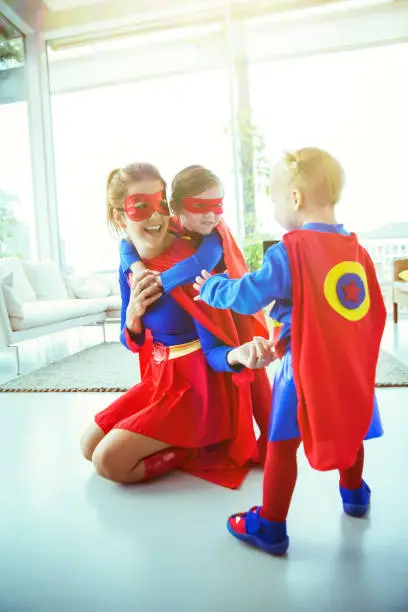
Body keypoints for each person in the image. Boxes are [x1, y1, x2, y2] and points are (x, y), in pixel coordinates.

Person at [194, 148, 386, 554]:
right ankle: (354, 495)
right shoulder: (358, 251)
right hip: (348, 367)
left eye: (276, 199)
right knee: (350, 425)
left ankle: (271, 525)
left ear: (296, 199)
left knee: (282, 443)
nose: (276, 208)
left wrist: (211, 287)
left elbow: (248, 296)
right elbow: (371, 313)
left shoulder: (290, 251)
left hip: (304, 367)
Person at [80, 162, 275, 489]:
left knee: (108, 463)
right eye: (141, 207)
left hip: (195, 390)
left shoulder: (193, 259)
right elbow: (132, 343)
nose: (156, 218)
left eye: (161, 205)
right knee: (88, 447)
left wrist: (237, 354)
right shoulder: (130, 265)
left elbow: (214, 350)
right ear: (119, 217)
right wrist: (132, 318)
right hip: (160, 381)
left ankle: (191, 450)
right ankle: (180, 442)